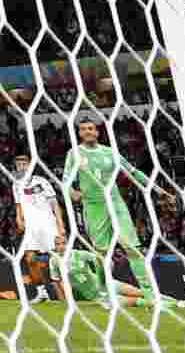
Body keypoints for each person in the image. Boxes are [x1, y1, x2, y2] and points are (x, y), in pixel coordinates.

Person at [63, 115, 174, 301]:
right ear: (79, 133)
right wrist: (71, 192)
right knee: (102, 253)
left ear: (97, 132)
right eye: (83, 129)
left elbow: (133, 172)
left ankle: (150, 294)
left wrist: (159, 190)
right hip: (93, 206)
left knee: (132, 247)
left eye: (91, 128)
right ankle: (103, 288)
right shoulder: (74, 154)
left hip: (115, 203)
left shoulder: (110, 152)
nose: (88, 131)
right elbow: (66, 180)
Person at [50, 236, 185, 309]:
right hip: (98, 295)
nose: (61, 246)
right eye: (58, 244)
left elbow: (99, 259)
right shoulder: (54, 261)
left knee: (141, 292)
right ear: (55, 246)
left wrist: (106, 265)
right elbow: (57, 281)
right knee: (137, 302)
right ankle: (170, 305)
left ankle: (178, 302)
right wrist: (65, 300)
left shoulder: (79, 254)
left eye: (64, 243)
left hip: (105, 283)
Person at [13, 153, 65, 303]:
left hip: (49, 225)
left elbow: (55, 204)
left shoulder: (41, 181)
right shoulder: (16, 184)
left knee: (57, 260)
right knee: (30, 259)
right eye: (19, 164)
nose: (21, 167)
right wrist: (19, 218)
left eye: (24, 164)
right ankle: (42, 293)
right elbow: (18, 204)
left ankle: (66, 292)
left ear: (30, 166)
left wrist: (60, 224)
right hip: (31, 228)